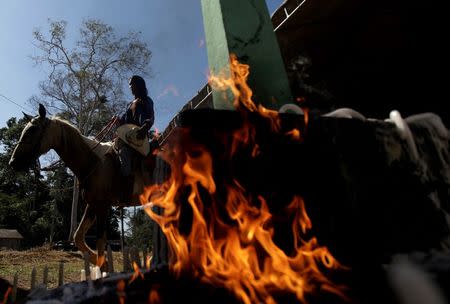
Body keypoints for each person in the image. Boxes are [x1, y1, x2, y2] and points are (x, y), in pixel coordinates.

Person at [116, 75, 154, 202]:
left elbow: (150, 117)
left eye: (132, 84)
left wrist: (145, 127)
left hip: (140, 140)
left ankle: (127, 191)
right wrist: (118, 121)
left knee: (125, 153)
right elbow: (124, 122)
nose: (130, 86)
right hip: (128, 138)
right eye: (129, 84)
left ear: (139, 85)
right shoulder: (130, 104)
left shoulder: (146, 100)